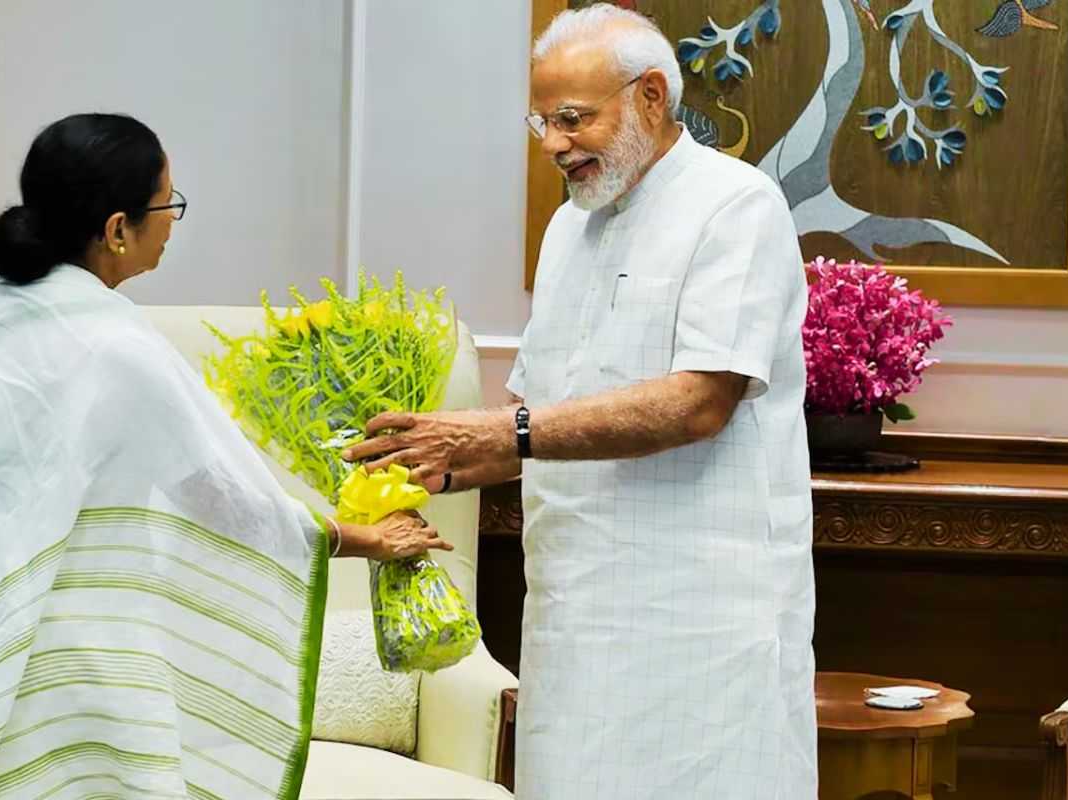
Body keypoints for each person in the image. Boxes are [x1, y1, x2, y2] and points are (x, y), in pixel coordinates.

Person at [0, 113, 449, 800]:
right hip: (69, 641)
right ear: (118, 229)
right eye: (168, 204)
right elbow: (218, 497)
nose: (173, 221)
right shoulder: (114, 345)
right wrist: (366, 539)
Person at [342, 6, 816, 798]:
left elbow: (700, 402)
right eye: (542, 122)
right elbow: (535, 406)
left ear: (652, 97)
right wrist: (426, 464)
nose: (554, 144)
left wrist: (504, 433)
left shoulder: (736, 207)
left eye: (573, 119)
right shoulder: (568, 227)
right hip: (573, 610)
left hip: (697, 616)